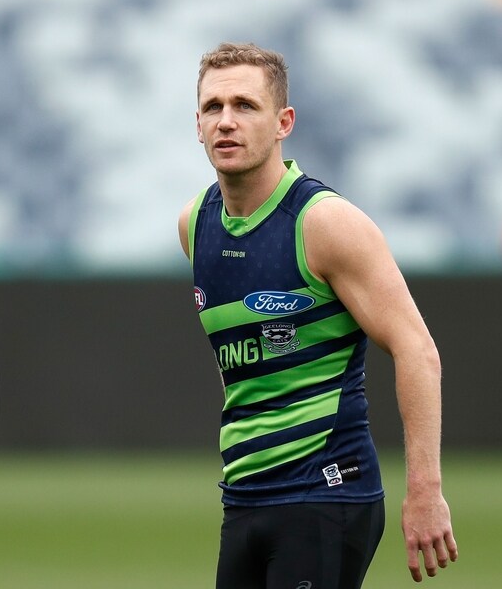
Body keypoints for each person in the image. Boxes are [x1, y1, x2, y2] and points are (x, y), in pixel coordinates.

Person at [177, 42, 457, 587]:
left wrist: (425, 491)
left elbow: (417, 350)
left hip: (327, 493)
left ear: (284, 122)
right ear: (198, 125)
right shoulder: (195, 225)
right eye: (213, 107)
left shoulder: (324, 224)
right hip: (243, 497)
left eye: (245, 105)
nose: (226, 121)